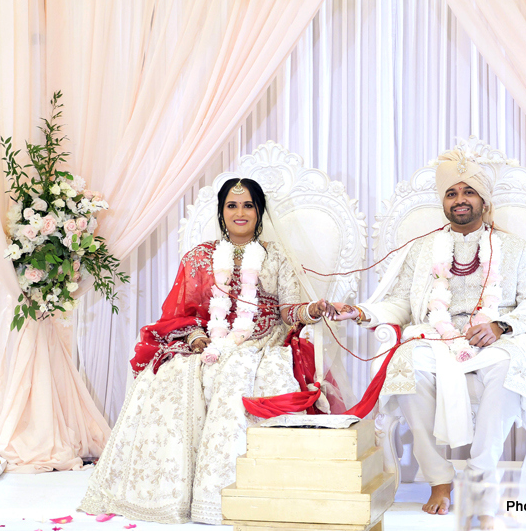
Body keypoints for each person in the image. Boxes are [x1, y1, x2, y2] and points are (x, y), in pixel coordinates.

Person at [79, 178, 335, 525]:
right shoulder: (199, 257)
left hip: (262, 340)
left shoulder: (277, 256)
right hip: (208, 341)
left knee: (236, 373)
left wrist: (312, 311)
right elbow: (182, 312)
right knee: (168, 374)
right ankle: (168, 493)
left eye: (248, 205)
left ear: (259, 212)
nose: (240, 213)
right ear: (221, 212)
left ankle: (226, 494)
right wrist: (197, 336)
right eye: (232, 205)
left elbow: (288, 311)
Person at [332, 150, 526, 515]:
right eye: (452, 193)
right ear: (444, 202)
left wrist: (500, 325)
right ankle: (439, 479)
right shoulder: (423, 250)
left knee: (509, 369)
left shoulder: (514, 249)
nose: (460, 200)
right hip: (434, 338)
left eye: (469, 192)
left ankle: (482, 478)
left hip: (490, 340)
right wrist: (361, 312)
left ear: (484, 200)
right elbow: (400, 303)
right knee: (406, 365)